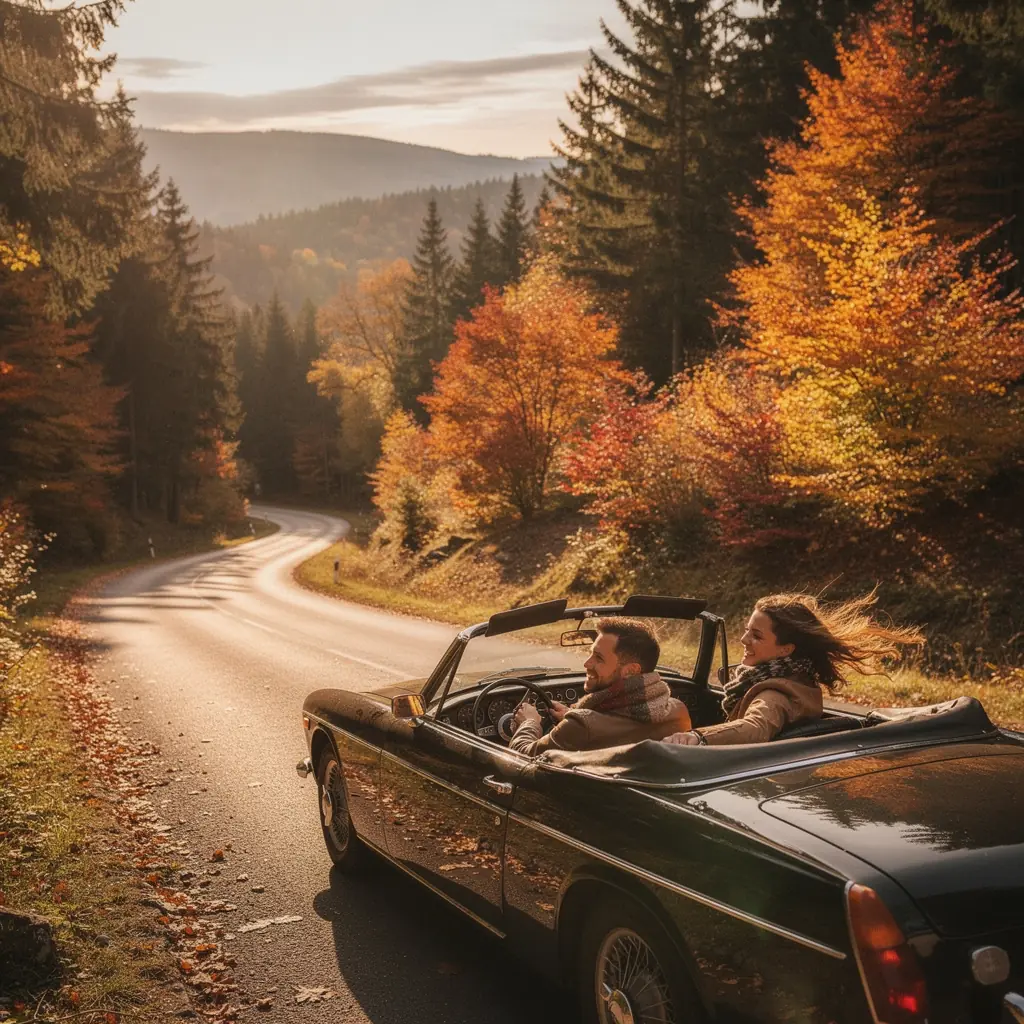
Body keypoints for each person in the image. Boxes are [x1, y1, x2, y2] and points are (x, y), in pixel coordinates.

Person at [664, 591, 925, 746]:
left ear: (785, 649)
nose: (744, 640)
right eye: (746, 631)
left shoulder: (775, 694)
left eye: (756, 636)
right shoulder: (799, 678)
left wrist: (696, 737)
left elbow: (756, 726)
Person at [509, 617, 691, 756]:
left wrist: (529, 722)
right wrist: (570, 715)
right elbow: (618, 724)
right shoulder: (678, 713)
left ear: (631, 671)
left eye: (599, 658)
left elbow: (522, 756)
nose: (587, 663)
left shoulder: (582, 727)